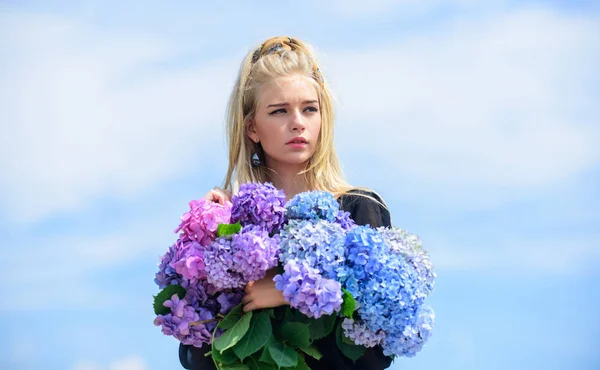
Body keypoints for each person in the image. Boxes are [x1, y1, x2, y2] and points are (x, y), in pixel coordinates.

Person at [179, 36, 393, 370]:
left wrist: (293, 291)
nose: (297, 122)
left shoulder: (359, 209)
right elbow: (196, 359)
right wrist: (207, 242)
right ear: (252, 128)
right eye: (279, 111)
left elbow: (374, 354)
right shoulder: (233, 226)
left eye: (310, 108)